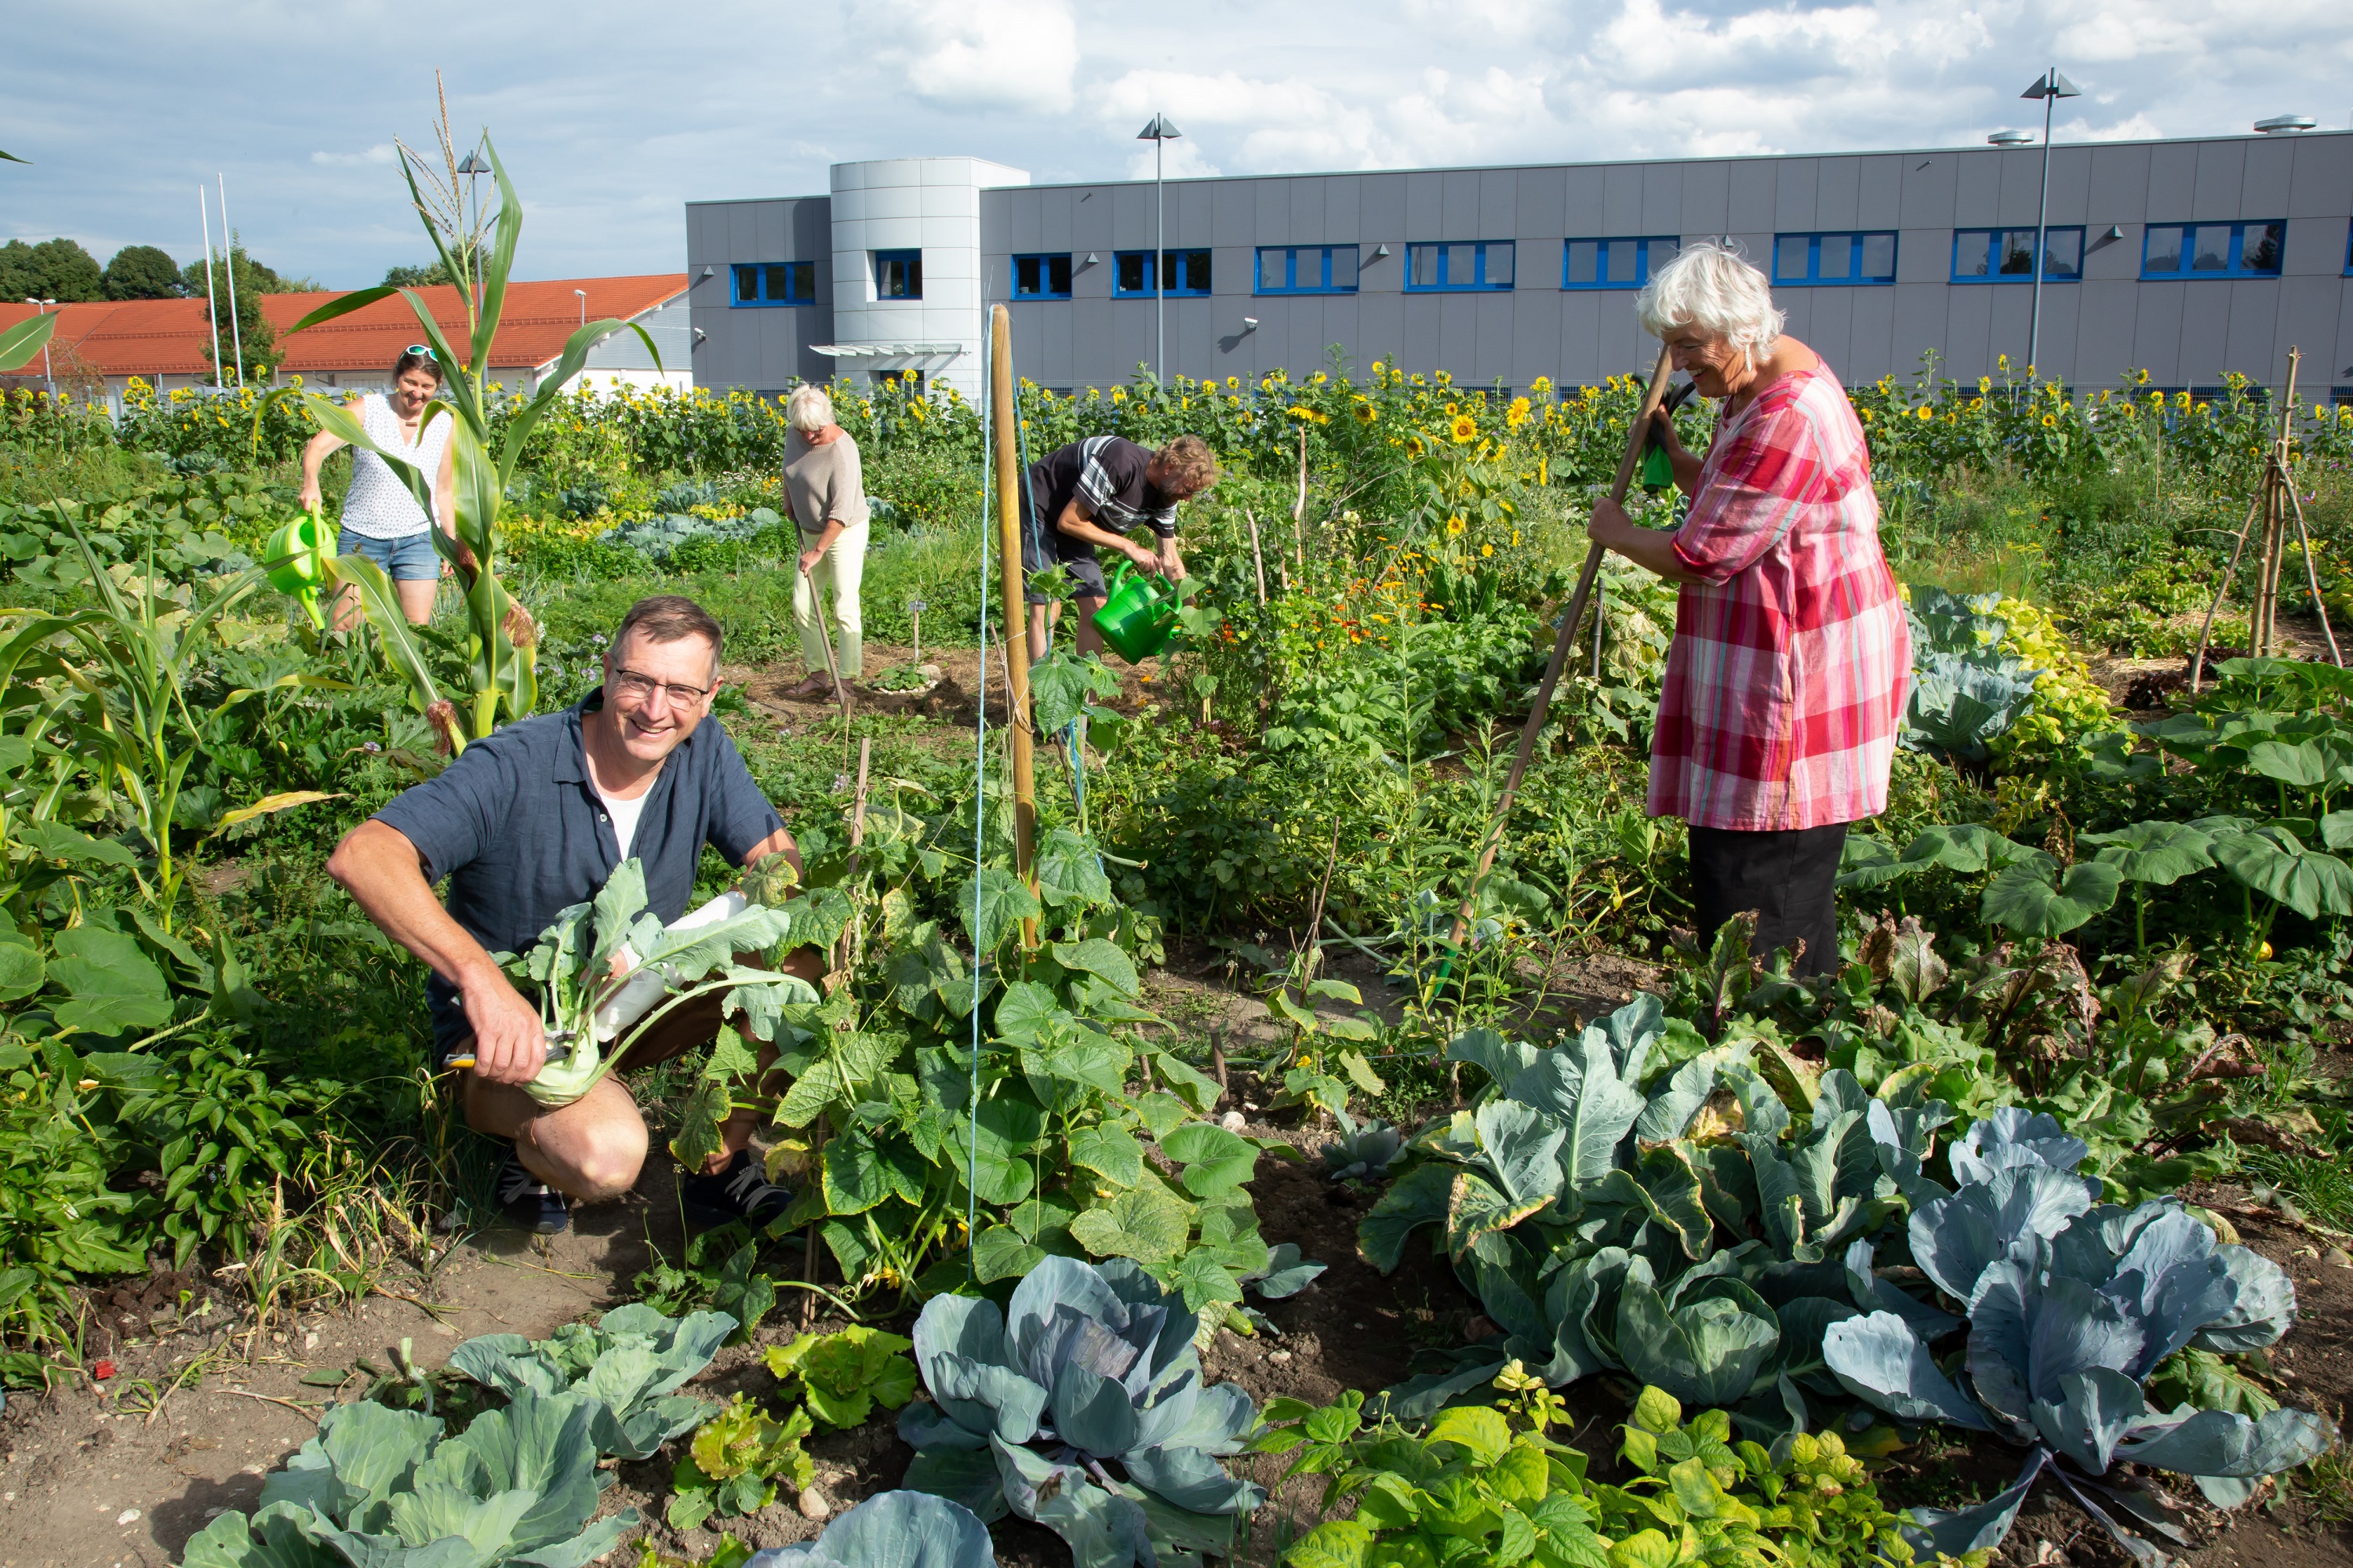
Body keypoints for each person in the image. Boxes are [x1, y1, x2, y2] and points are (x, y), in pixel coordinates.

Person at [325, 595, 822, 1235]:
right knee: (607, 1155)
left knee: (798, 952)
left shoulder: (703, 752)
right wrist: (483, 982)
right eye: (638, 680)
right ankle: (518, 1143)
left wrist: (682, 938)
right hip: (513, 1042)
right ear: (609, 669)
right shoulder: (515, 764)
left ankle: (717, 1165)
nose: (654, 708)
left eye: (679, 689)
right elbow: (365, 856)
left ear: (710, 695)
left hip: (625, 1011)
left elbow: (781, 867)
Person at [1581, 242, 1908, 977]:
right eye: (1671, 347)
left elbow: (1706, 553)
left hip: (1797, 682)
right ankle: (1796, 1040)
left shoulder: (1789, 413)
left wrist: (1618, 534)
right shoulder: (1755, 385)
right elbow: (1738, 496)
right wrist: (1673, 446)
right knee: (1764, 886)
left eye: (1690, 347)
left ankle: (1774, 1052)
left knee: (1763, 889)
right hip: (1767, 661)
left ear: (1739, 329)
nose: (1682, 364)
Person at [1020, 433, 1220, 661]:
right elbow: (1068, 521)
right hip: (1041, 504)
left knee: (1097, 607)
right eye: (1187, 490)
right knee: (1047, 605)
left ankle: (1088, 697)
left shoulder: (1167, 496)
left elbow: (1170, 560)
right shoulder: (1120, 462)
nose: (1187, 499)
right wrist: (1129, 547)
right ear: (1170, 467)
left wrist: (1198, 616)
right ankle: (1043, 690)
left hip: (1079, 521)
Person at [297, 347, 458, 627]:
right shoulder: (368, 409)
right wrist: (311, 483)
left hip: (419, 540)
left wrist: (450, 541)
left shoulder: (443, 423)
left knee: (415, 629)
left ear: (438, 386)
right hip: (363, 538)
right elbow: (317, 447)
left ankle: (397, 674)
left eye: (427, 386)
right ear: (397, 377)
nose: (418, 393)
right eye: (411, 382)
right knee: (346, 624)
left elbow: (443, 489)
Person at [780, 384, 868, 703]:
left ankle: (846, 681)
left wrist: (818, 552)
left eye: (815, 431)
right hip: (809, 530)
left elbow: (840, 514)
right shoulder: (795, 434)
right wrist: (788, 496)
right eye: (802, 430)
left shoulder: (843, 451)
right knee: (803, 605)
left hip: (843, 532)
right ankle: (818, 674)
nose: (808, 437)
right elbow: (790, 470)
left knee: (844, 603)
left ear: (827, 419)